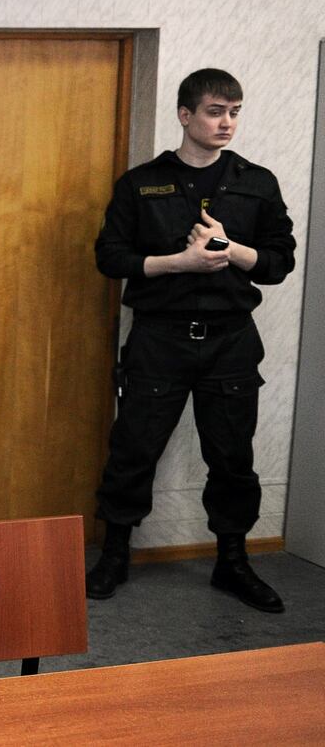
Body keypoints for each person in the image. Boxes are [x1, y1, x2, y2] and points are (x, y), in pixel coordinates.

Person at [88, 68, 295, 612]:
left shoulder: (257, 181)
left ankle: (233, 561)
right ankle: (114, 554)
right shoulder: (141, 183)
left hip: (230, 341)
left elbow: (279, 261)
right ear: (185, 115)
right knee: (133, 451)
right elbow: (109, 257)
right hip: (161, 339)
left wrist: (232, 251)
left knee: (232, 458)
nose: (226, 123)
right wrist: (180, 262)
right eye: (214, 111)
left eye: (234, 112)